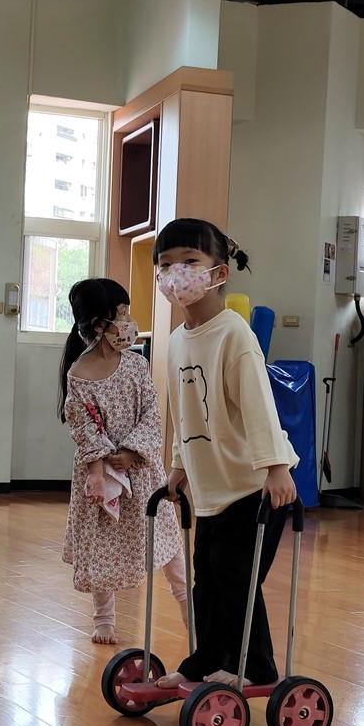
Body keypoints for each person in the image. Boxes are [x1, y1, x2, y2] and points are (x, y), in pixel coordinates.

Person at [152, 218, 298, 689]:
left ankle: (256, 667)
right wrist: (178, 466)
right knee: (208, 580)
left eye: (190, 261)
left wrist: (276, 467)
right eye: (166, 264)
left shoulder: (234, 334)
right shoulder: (177, 340)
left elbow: (259, 404)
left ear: (218, 272)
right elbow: (182, 411)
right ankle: (207, 658)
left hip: (254, 486)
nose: (176, 273)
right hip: (212, 488)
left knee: (237, 578)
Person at [58, 278, 186, 644]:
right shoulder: (78, 375)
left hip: (142, 471)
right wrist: (98, 471)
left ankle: (188, 608)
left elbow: (152, 412)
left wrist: (131, 452)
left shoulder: (136, 365)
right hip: (102, 474)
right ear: (99, 324)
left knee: (167, 542)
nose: (128, 321)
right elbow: (83, 428)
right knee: (102, 543)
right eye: (122, 314)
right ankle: (104, 619)